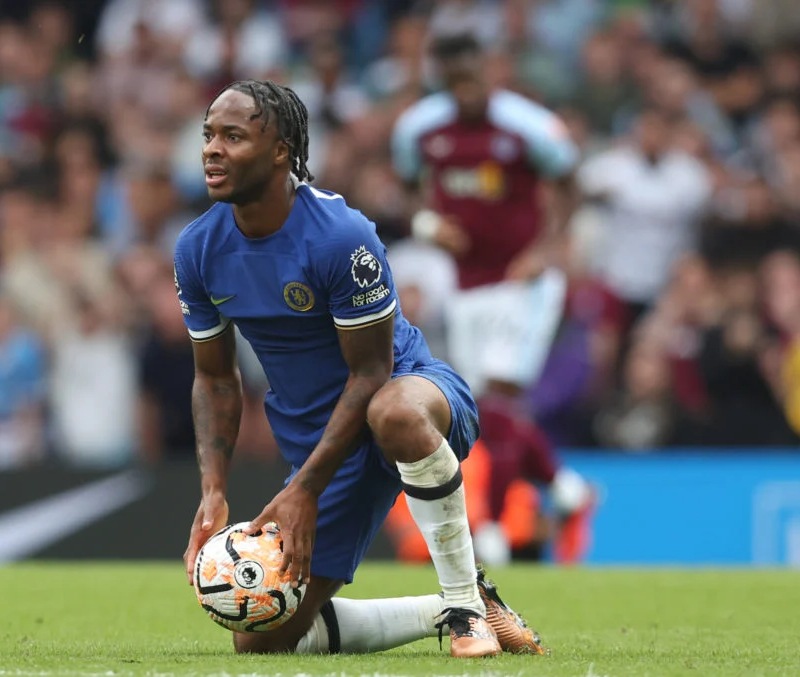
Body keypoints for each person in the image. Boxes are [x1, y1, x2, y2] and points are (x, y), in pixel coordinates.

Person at [176, 80, 544, 659]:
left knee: (391, 412)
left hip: (411, 396)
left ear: (280, 151)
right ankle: (452, 609)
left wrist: (303, 489)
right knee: (262, 640)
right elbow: (216, 378)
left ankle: (464, 605)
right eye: (208, 136)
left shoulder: (341, 238)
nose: (212, 150)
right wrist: (214, 491)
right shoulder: (197, 249)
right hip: (325, 445)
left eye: (233, 136)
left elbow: (372, 373)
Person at [391, 34, 591, 561]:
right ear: (443, 82)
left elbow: (571, 180)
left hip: (521, 280)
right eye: (456, 82)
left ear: (489, 71)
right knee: (486, 408)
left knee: (500, 394)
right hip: (466, 285)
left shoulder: (527, 125)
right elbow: (407, 188)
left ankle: (496, 530)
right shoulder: (419, 128)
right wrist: (427, 224)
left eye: (474, 78)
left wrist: (548, 249)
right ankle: (565, 487)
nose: (468, 91)